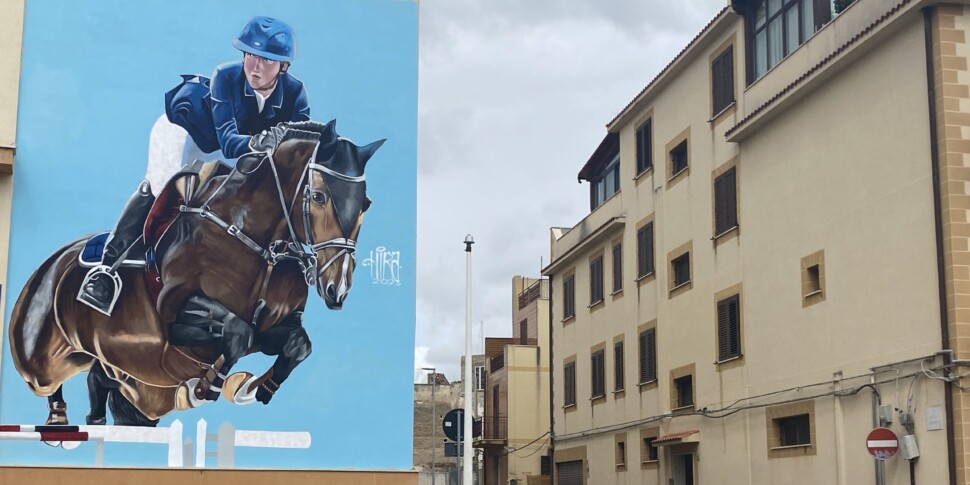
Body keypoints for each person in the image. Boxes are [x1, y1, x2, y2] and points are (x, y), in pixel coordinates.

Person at [77, 16, 311, 316]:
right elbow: (228, 143)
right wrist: (262, 144)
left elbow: (297, 153)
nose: (254, 66)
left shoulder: (295, 93)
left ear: (283, 66)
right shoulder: (225, 76)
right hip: (187, 132)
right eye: (250, 55)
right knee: (160, 183)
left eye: (266, 60)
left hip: (234, 152)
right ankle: (105, 271)